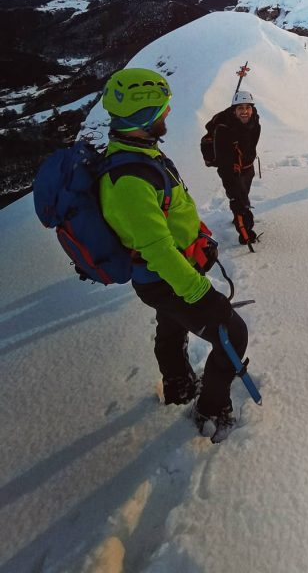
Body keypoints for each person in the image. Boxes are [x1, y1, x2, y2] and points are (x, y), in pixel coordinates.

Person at [99, 67, 249, 443]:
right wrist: (203, 294)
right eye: (162, 110)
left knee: (171, 323)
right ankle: (211, 408)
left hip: (169, 272)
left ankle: (179, 385)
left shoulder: (140, 153)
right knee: (233, 332)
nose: (168, 114)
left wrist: (198, 233)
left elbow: (170, 206)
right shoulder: (130, 179)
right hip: (163, 277)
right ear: (144, 116)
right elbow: (157, 252)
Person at [207, 89, 261, 245]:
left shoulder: (255, 123)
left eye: (247, 107)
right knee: (239, 201)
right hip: (231, 171)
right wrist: (236, 194)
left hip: (247, 167)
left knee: (244, 193)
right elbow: (224, 162)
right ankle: (245, 234)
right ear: (234, 110)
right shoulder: (224, 130)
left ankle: (239, 215)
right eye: (240, 108)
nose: (244, 111)